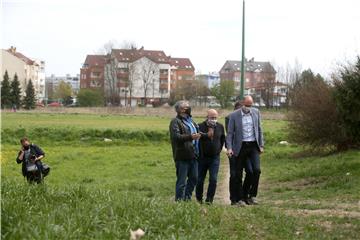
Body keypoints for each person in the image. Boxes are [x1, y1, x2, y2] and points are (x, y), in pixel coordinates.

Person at [226, 96, 264, 205]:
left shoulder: (256, 112)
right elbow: (229, 133)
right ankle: (241, 197)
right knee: (238, 173)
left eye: (250, 105)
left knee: (256, 170)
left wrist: (261, 145)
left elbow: (259, 129)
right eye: (247, 105)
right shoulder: (234, 115)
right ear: (242, 103)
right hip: (240, 146)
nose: (248, 107)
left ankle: (252, 195)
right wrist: (229, 148)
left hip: (253, 146)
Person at [169, 101, 202, 201]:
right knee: (182, 181)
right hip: (182, 155)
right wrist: (191, 137)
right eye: (185, 107)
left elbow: (197, 132)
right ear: (179, 110)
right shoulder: (175, 121)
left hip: (194, 154)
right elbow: (176, 137)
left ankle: (186, 199)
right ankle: (179, 201)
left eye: (188, 107)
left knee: (194, 178)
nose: (187, 108)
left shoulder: (191, 121)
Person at [196, 109, 225, 204]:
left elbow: (222, 140)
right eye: (212, 118)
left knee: (213, 179)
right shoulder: (199, 126)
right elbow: (198, 138)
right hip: (202, 157)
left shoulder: (220, 126)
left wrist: (218, 150)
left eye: (215, 118)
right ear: (207, 117)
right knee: (200, 179)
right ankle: (199, 199)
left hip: (214, 158)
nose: (214, 119)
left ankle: (209, 200)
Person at [225, 100, 245, 205]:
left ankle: (241, 197)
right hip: (232, 149)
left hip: (244, 150)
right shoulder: (229, 118)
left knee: (240, 174)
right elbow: (230, 134)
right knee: (233, 174)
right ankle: (233, 199)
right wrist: (229, 148)